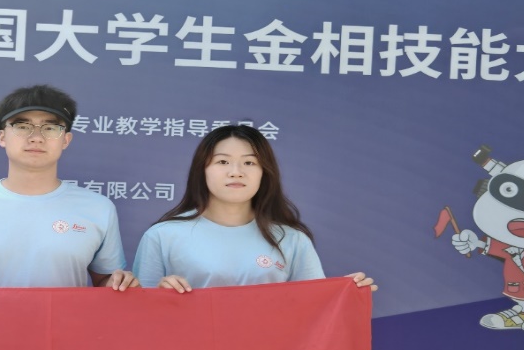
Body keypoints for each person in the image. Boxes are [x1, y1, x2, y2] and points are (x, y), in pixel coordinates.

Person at [0, 84, 137, 293]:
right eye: (22, 126)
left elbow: (105, 280)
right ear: (2, 136)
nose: (36, 138)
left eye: (50, 128)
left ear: (66, 140)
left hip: (63, 324)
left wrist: (118, 282)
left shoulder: (98, 208)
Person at [133, 124, 375, 292]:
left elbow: (316, 311)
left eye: (249, 162)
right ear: (202, 170)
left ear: (264, 173)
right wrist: (161, 294)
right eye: (222, 161)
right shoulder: (162, 236)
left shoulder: (292, 240)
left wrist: (344, 292)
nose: (236, 171)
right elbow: (141, 316)